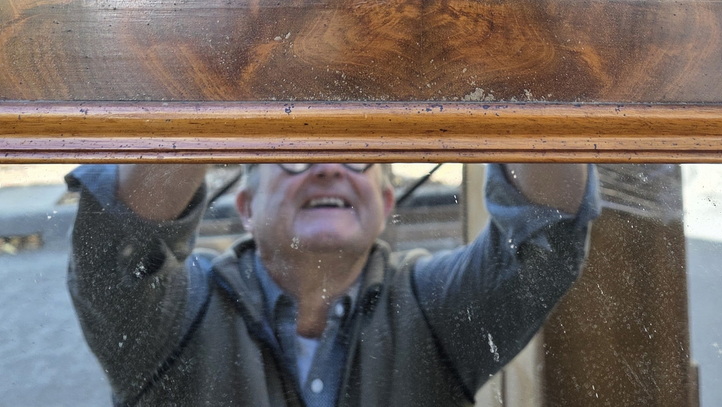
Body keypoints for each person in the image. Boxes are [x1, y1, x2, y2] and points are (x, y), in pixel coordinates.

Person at [67, 161, 598, 407]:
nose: (328, 168)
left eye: (357, 153)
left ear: (384, 205)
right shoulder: (178, 314)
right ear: (246, 208)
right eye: (294, 154)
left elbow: (545, 236)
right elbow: (118, 245)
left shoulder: (432, 307)